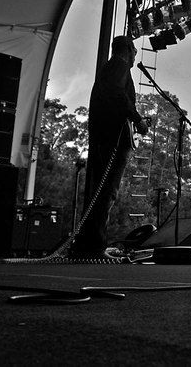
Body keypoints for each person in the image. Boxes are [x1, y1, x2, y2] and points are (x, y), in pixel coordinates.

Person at [70, 35, 148, 259]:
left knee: (101, 191)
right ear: (129, 50)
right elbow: (117, 95)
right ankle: (94, 246)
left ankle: (90, 243)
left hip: (105, 138)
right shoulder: (119, 66)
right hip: (112, 139)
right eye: (134, 52)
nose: (135, 57)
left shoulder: (110, 68)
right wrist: (137, 119)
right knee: (106, 192)